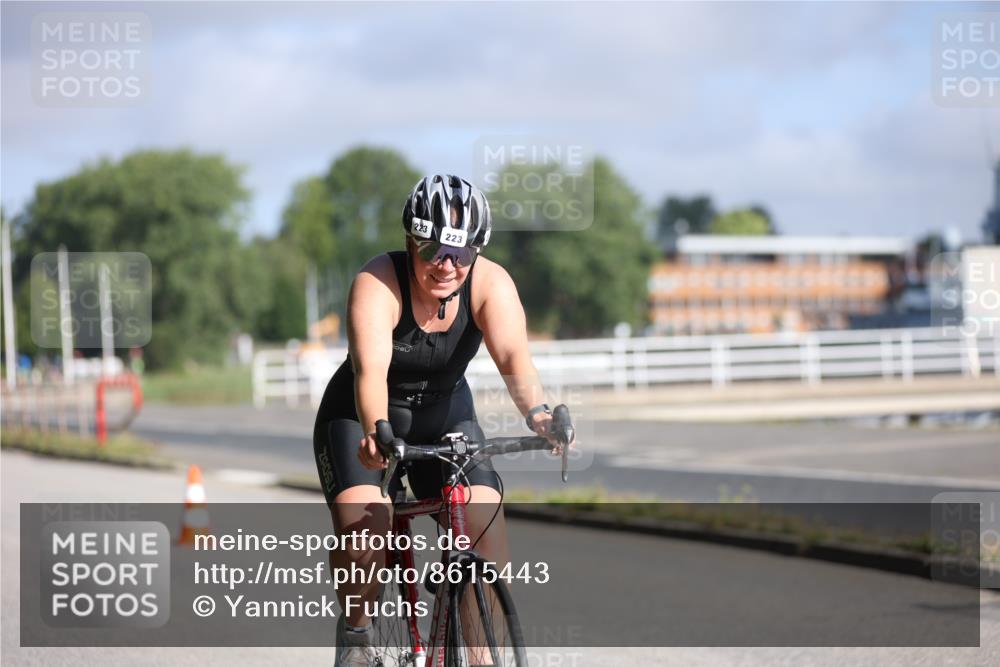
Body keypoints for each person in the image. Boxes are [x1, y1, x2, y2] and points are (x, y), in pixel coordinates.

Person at [313, 174, 569, 666]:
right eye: (432, 250)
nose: (447, 265)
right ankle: (357, 635)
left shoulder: (490, 284)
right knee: (366, 523)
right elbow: (370, 373)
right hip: (366, 414)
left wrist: (538, 414)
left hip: (445, 411)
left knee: (483, 513)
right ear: (411, 240)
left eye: (462, 253)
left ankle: (478, 655)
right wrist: (373, 433)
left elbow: (515, 356)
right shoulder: (377, 283)